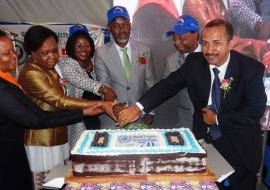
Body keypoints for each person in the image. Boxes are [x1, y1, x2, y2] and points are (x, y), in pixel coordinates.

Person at [119, 19, 266, 190]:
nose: (209, 50)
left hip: (239, 145)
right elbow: (168, 85)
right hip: (207, 142)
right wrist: (138, 107)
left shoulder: (250, 69)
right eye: (205, 43)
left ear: (230, 42)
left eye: (216, 43)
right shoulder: (195, 63)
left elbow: (255, 110)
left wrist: (218, 119)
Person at [0, 29, 114, 190]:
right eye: (45, 53)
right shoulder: (31, 72)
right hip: (43, 141)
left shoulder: (51, 67)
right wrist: (98, 105)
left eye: (54, 51)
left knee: (60, 181)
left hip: (60, 135)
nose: (52, 56)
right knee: (47, 184)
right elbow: (59, 101)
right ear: (32, 52)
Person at [94, 6, 156, 129]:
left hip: (140, 116)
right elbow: (104, 86)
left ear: (130, 25)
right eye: (116, 26)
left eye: (125, 24)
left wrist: (151, 109)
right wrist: (118, 110)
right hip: (113, 119)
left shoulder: (144, 50)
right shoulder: (101, 53)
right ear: (109, 28)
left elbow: (151, 83)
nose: (122, 30)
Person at [58, 24, 116, 147]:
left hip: (97, 116)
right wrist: (104, 89)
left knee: (97, 149)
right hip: (79, 118)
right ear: (71, 47)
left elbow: (105, 79)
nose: (83, 49)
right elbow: (79, 80)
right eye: (78, 46)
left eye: (87, 45)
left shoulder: (95, 61)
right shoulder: (66, 63)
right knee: (80, 150)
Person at [163, 15, 201, 129]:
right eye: (174, 38)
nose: (177, 42)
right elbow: (164, 91)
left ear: (195, 34)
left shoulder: (210, 54)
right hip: (186, 122)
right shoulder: (171, 61)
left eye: (182, 38)